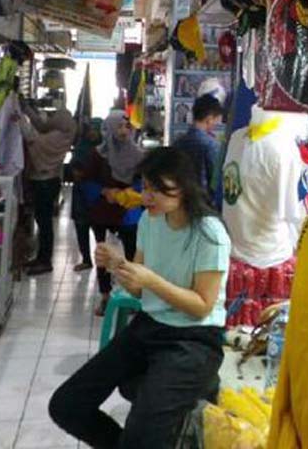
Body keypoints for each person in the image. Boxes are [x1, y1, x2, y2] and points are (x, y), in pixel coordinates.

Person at [49, 147, 231, 448]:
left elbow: (202, 307)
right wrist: (118, 265)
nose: (148, 197)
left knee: (143, 435)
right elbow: (139, 289)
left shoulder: (209, 233)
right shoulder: (150, 220)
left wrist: (151, 281)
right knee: (67, 406)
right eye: (145, 187)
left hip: (194, 340)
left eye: (159, 190)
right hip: (149, 327)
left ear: (184, 188)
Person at [95, 110, 145, 314]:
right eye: (120, 126)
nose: (124, 131)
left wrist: (129, 194)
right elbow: (87, 182)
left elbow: (143, 183)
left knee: (133, 254)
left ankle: (133, 294)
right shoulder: (99, 155)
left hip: (129, 213)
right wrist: (105, 191)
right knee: (103, 256)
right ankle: (105, 296)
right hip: (104, 212)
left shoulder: (139, 156)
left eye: (127, 126)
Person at [20, 105, 77, 275]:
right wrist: (29, 110)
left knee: (44, 223)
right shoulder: (64, 134)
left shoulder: (58, 137)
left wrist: (21, 119)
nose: (52, 120)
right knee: (41, 220)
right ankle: (41, 258)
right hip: (49, 181)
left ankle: (45, 261)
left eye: (56, 117)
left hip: (45, 182)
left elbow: (34, 140)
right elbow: (40, 127)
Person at [70, 118, 104, 272]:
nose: (92, 133)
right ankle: (86, 259)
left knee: (100, 229)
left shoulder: (105, 148)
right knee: (81, 226)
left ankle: (102, 261)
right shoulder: (81, 146)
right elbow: (75, 168)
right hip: (82, 192)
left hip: (99, 193)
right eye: (90, 130)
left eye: (95, 130)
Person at [174, 94, 224, 194]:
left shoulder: (178, 143)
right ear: (209, 119)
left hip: (181, 200)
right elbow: (217, 181)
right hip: (203, 202)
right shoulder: (212, 146)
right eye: (215, 120)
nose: (215, 124)